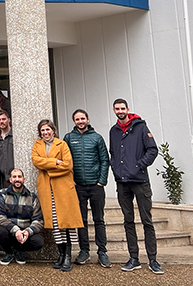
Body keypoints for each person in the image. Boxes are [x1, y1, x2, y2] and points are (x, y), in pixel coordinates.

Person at [110, 98, 162, 274]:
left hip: (140, 181)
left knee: (147, 221)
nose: (120, 111)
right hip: (123, 183)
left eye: (122, 108)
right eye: (117, 109)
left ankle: (153, 260)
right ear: (114, 110)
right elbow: (113, 154)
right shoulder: (114, 131)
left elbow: (153, 150)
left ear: (128, 109)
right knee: (128, 221)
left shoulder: (140, 127)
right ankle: (134, 258)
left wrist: (139, 165)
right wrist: (116, 169)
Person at [32, 119, 82, 271]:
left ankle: (68, 256)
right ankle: (60, 255)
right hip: (47, 188)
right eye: (43, 131)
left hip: (63, 187)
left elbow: (68, 165)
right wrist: (55, 162)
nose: (46, 133)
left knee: (67, 222)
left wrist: (48, 167)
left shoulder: (62, 144)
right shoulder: (37, 145)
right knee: (55, 223)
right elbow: (36, 161)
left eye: (48, 130)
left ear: (53, 130)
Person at [64, 108, 111, 268]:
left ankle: (102, 252)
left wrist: (101, 181)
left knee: (99, 219)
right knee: (81, 220)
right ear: (74, 121)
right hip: (78, 186)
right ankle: (84, 251)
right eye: (77, 119)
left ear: (88, 119)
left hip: (96, 186)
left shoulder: (97, 138)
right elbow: (65, 161)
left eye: (82, 118)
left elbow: (105, 160)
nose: (80, 121)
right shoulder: (69, 138)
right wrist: (71, 179)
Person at [0, 168, 45, 265]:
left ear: (24, 179)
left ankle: (18, 250)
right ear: (10, 179)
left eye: (19, 177)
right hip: (9, 230)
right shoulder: (2, 194)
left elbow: (38, 220)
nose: (17, 179)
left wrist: (28, 232)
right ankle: (8, 252)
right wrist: (15, 230)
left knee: (38, 242)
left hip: (25, 231)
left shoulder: (32, 197)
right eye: (14, 177)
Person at [0, 110, 14, 188]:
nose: (1, 122)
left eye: (4, 119)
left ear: (9, 120)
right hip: (4, 179)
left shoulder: (15, 135)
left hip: (17, 177)